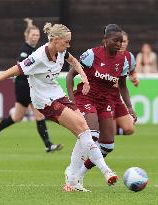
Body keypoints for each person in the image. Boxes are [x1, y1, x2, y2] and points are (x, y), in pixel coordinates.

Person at [0, 22, 118, 192]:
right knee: (83, 129)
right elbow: (7, 73)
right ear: (55, 40)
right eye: (66, 42)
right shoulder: (37, 57)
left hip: (58, 94)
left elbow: (74, 61)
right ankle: (106, 171)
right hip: (44, 101)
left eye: (69, 42)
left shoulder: (61, 52)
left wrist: (84, 78)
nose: (68, 45)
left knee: (84, 133)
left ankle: (73, 178)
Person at [65, 24, 136, 189]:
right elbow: (70, 75)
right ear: (105, 40)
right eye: (115, 40)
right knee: (92, 135)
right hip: (85, 97)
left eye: (121, 41)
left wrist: (130, 108)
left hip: (105, 102)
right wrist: (72, 102)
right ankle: (77, 174)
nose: (119, 44)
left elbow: (123, 86)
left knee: (107, 145)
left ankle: (77, 176)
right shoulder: (92, 55)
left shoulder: (124, 60)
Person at [0, 18, 63, 153]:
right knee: (39, 115)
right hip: (24, 86)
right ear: (26, 36)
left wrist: (29, 24)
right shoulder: (25, 50)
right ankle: (48, 145)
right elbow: (22, 68)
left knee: (17, 117)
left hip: (27, 85)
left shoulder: (33, 49)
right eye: (33, 35)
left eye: (37, 35)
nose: (35, 37)